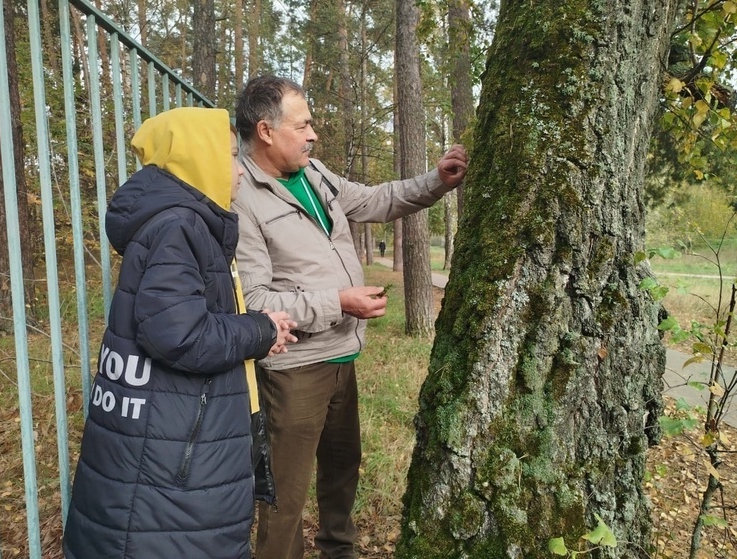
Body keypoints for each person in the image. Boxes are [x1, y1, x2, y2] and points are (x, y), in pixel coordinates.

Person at [231, 75, 468, 559]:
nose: (313, 134)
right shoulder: (240, 194)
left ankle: (339, 551)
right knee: (285, 497)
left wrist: (436, 181)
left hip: (343, 357)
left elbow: (374, 200)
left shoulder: (315, 173)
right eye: (303, 125)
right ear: (266, 131)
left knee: (342, 470)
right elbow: (254, 301)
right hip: (292, 371)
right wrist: (339, 301)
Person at [62, 107, 297, 559]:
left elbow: (184, 317)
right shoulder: (179, 226)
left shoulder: (185, 223)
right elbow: (180, 335)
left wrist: (260, 328)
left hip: (168, 447)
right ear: (199, 159)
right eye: (230, 155)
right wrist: (259, 329)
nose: (240, 168)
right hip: (170, 465)